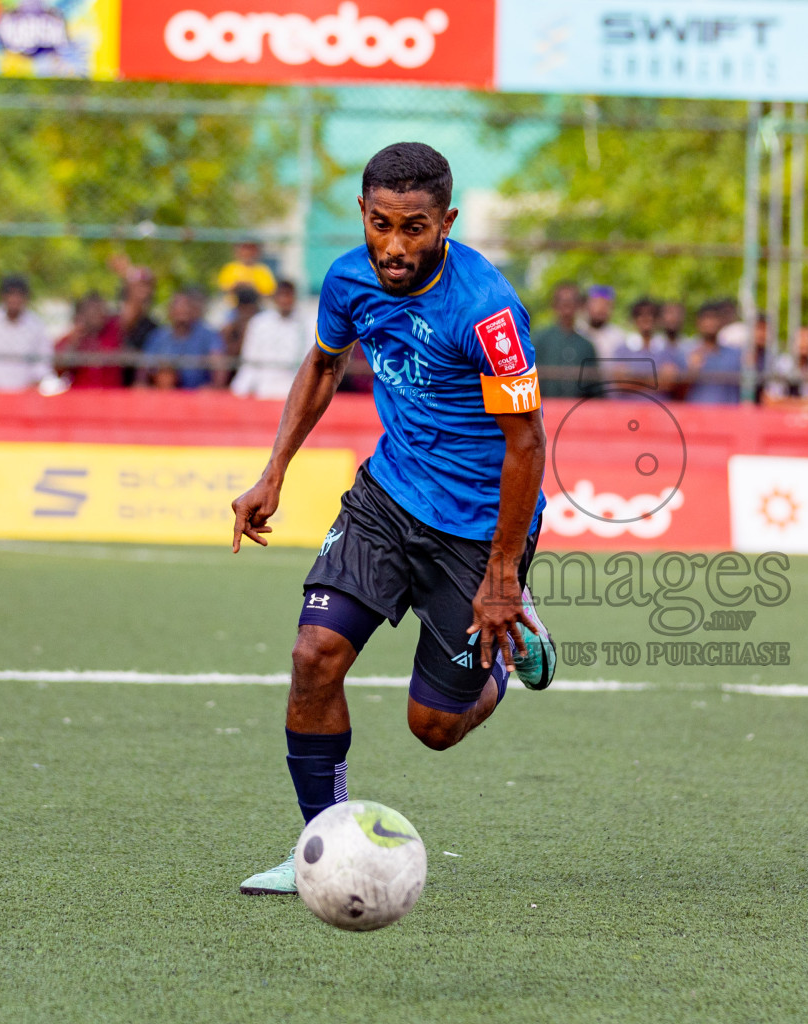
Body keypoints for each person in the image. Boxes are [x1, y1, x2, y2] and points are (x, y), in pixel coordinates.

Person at [229, 142, 557, 896]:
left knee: (433, 728)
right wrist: (273, 472)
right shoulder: (348, 278)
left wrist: (502, 574)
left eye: (414, 228)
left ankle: (513, 644)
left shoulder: (489, 312)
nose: (395, 246)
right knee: (315, 655)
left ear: (445, 220)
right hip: (386, 498)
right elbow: (322, 364)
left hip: (478, 528)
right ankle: (320, 843)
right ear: (363, 215)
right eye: (381, 224)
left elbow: (527, 443)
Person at [231, 279, 306, 401]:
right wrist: (239, 390)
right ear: (275, 298)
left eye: (288, 295)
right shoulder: (259, 323)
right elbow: (249, 360)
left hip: (294, 390)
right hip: (263, 389)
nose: (285, 300)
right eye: (282, 295)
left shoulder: (306, 325)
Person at [140, 289, 226, 390]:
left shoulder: (209, 336)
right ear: (170, 311)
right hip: (165, 393)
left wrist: (214, 388)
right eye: (178, 308)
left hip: (199, 394)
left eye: (187, 308)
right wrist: (141, 385)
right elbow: (144, 368)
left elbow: (218, 364)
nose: (183, 311)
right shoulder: (158, 337)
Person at [533, 281, 597, 399]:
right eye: (562, 302)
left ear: (579, 306)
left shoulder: (586, 346)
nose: (567, 307)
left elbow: (595, 388)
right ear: (554, 305)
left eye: (571, 302)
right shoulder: (539, 340)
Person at [674, 301, 743, 404]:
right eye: (707, 318)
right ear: (698, 322)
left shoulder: (736, 354)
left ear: (721, 322)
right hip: (696, 415)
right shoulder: (685, 353)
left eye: (714, 318)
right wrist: (690, 372)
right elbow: (676, 392)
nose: (711, 323)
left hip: (729, 415)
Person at [54, 292, 124, 389]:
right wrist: (74, 341)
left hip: (111, 398)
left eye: (102, 310)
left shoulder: (115, 332)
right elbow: (58, 370)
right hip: (81, 398)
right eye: (94, 310)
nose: (99, 314)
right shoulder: (71, 339)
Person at [109, 256, 159, 387]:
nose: (144, 289)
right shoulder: (111, 322)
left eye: (148, 285)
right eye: (139, 283)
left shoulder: (153, 327)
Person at [580, 284, 626, 358]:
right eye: (596, 304)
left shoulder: (618, 337)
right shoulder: (578, 331)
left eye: (606, 305)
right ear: (587, 305)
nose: (601, 309)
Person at [222, 284, 263, 362]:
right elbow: (229, 353)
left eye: (250, 310)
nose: (247, 313)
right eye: (244, 309)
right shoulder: (231, 327)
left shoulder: (262, 326)